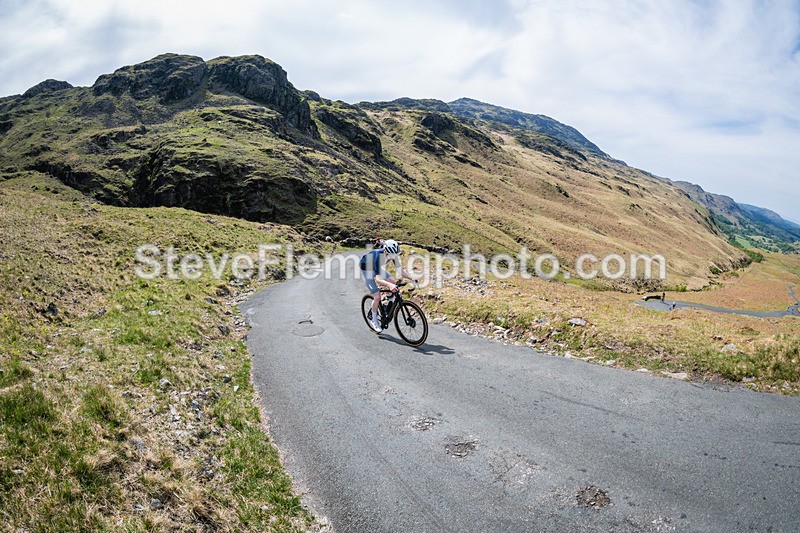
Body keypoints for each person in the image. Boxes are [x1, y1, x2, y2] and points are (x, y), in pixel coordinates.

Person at [360, 238, 415, 332]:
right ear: (385, 251)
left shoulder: (393, 254)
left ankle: (389, 304)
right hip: (367, 269)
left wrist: (412, 278)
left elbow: (399, 270)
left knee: (394, 283)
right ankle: (374, 319)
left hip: (377, 268)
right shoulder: (379, 257)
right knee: (377, 296)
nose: (393, 257)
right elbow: (378, 279)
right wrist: (389, 286)